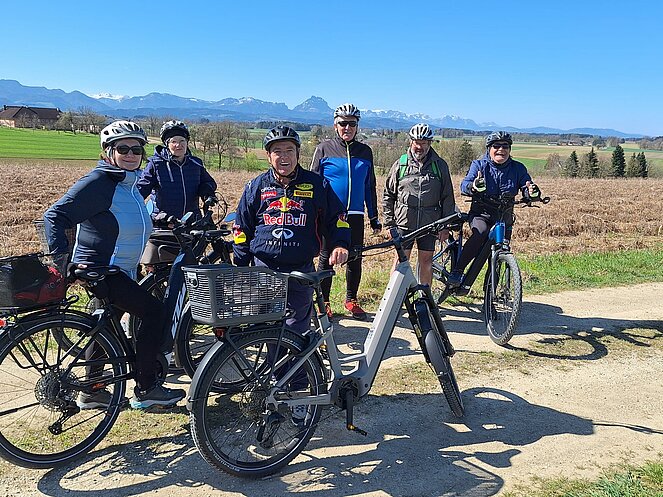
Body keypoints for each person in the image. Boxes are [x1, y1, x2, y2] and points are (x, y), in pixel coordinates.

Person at [43, 120, 186, 410]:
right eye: (123, 149)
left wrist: (164, 220)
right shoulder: (99, 182)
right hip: (104, 269)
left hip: (118, 269)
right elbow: (54, 216)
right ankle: (147, 388)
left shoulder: (127, 182)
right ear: (108, 151)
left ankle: (92, 391)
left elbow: (132, 215)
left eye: (136, 149)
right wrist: (61, 262)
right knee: (154, 313)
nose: (131, 154)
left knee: (105, 327)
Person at [233, 125, 350, 424]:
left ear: (298, 154)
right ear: (268, 156)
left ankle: (298, 393)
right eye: (277, 151)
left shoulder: (317, 184)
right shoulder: (256, 186)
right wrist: (241, 263)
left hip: (300, 270)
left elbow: (337, 219)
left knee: (296, 332)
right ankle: (273, 388)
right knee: (268, 331)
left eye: (289, 150)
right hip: (264, 270)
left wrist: (340, 244)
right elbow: (241, 229)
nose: (283, 157)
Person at [310, 103, 381, 321]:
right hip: (329, 215)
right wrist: (313, 213)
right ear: (335, 125)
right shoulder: (324, 149)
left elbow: (369, 186)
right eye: (343, 123)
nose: (347, 128)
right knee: (326, 258)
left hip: (356, 214)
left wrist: (374, 217)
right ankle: (324, 302)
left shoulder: (365, 152)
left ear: (357, 126)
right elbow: (313, 184)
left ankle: (351, 299)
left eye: (352, 123)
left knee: (355, 258)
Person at [447, 131, 541, 287]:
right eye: (496, 146)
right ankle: (458, 270)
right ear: (489, 149)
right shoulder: (479, 165)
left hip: (504, 217)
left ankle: (491, 292)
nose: (501, 150)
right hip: (481, 214)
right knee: (481, 233)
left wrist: (531, 193)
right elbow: (465, 185)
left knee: (500, 251)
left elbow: (526, 185)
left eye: (505, 146)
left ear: (509, 150)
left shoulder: (518, 168)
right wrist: (474, 186)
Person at [383, 123, 456, 286]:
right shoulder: (400, 164)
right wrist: (389, 224)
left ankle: (425, 296)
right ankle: (395, 298)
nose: (420, 147)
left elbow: (447, 198)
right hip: (404, 222)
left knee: (426, 261)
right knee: (400, 262)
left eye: (424, 143)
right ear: (411, 142)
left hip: (430, 223)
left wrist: (445, 226)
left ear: (429, 143)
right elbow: (388, 195)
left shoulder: (439, 166)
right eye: (417, 142)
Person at [137, 120, 217, 225]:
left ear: (187, 142)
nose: (178, 145)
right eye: (173, 141)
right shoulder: (155, 164)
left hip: (192, 222)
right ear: (167, 144)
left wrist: (207, 193)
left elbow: (207, 182)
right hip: (164, 222)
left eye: (182, 141)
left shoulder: (196, 163)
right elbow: (141, 190)